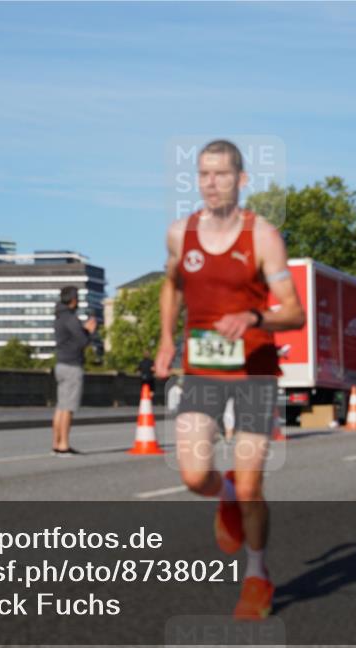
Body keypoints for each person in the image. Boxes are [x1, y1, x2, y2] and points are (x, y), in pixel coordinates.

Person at [154, 139, 305, 620]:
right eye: (203, 174)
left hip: (256, 370)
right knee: (195, 474)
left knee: (251, 488)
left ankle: (257, 576)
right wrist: (165, 341)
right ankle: (223, 497)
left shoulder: (263, 235)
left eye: (221, 174)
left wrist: (255, 317)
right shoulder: (180, 233)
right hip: (202, 367)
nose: (211, 183)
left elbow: (295, 312)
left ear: (241, 180)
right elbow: (173, 285)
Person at [51, 285, 97, 456]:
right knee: (68, 407)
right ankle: (64, 445)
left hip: (60, 364)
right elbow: (82, 342)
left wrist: (83, 329)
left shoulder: (59, 317)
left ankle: (56, 444)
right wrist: (90, 332)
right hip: (72, 366)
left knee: (60, 407)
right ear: (73, 300)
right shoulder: (71, 318)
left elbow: (71, 337)